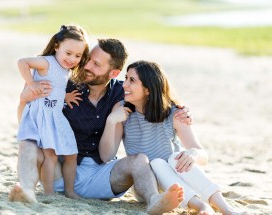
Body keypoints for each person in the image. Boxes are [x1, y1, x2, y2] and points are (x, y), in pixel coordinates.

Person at [9, 38, 191, 214]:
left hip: (102, 176)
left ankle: (154, 200)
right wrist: (23, 101)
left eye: (96, 64)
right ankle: (26, 190)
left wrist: (181, 110)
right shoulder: (63, 85)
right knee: (28, 142)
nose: (87, 66)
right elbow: (27, 123)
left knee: (139, 160)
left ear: (113, 73)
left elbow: (156, 96)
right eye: (88, 60)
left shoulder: (124, 93)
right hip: (59, 171)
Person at [100, 60, 248, 215]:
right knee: (156, 163)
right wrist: (111, 121)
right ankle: (201, 207)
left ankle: (227, 210)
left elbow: (203, 156)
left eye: (132, 80)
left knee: (176, 157)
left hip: (179, 177)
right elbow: (106, 156)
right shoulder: (122, 110)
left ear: (148, 89)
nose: (124, 85)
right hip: (148, 189)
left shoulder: (175, 113)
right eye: (126, 78)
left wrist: (193, 153)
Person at [16, 24, 89, 199]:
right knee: (51, 155)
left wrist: (65, 97)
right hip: (43, 116)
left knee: (72, 153)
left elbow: (53, 88)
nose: (72, 59)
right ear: (57, 46)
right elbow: (22, 62)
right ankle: (49, 193)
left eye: (78, 55)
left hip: (55, 115)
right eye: (68, 53)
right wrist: (31, 84)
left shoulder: (65, 70)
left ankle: (70, 191)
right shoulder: (46, 62)